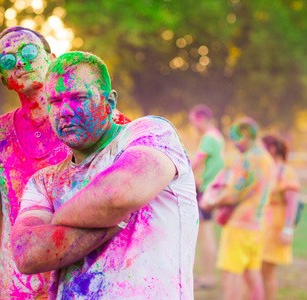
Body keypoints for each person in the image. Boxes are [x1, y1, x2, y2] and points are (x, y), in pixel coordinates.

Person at [11, 51, 198, 299]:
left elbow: (120, 192)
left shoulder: (149, 133)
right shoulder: (44, 181)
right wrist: (112, 220)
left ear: (110, 102)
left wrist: (57, 221)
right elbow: (26, 254)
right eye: (55, 102)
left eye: (78, 98)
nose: (65, 111)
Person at [0, 27, 129, 300]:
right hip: (17, 287)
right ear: (4, 78)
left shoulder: (93, 119)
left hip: (83, 283)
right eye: (7, 60)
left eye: (28, 52)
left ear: (51, 58)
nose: (19, 62)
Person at [200, 117, 274, 300]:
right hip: (258, 224)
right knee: (252, 275)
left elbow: (232, 194)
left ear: (247, 135)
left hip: (239, 225)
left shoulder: (246, 160)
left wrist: (210, 202)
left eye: (236, 137)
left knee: (230, 274)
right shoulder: (267, 159)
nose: (234, 143)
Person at [189, 104, 225, 289]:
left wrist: (181, 172)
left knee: (205, 234)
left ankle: (208, 278)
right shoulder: (215, 136)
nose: (193, 124)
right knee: (205, 233)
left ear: (201, 118)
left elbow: (196, 162)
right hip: (208, 189)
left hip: (206, 191)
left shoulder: (209, 137)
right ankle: (206, 276)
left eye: (193, 120)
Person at [261, 135, 300, 300]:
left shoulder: (285, 171)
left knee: (267, 271)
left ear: (271, 149)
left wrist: (288, 229)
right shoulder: (267, 170)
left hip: (276, 225)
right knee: (258, 269)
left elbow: (293, 203)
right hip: (262, 224)